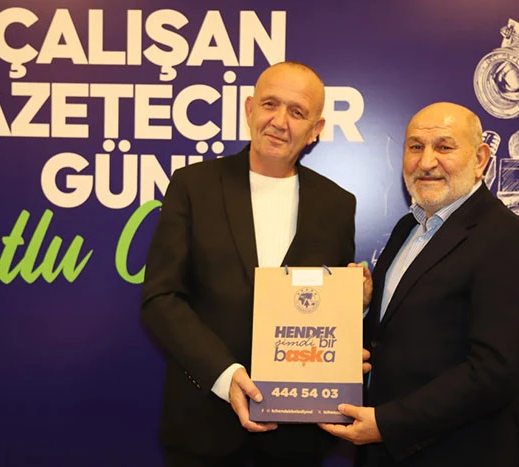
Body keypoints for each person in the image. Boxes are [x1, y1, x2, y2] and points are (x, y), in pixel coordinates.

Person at [140, 61, 358, 467]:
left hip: (297, 439)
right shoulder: (193, 186)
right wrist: (225, 376)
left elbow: (326, 308)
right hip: (204, 427)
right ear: (249, 109)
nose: (279, 121)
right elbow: (161, 298)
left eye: (297, 112)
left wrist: (354, 305)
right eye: (270, 104)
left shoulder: (337, 204)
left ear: (316, 129)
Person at [319, 102, 519, 467]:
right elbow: (396, 335)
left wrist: (388, 424)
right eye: (415, 147)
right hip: (387, 452)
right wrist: (366, 307)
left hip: (460, 453)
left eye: (444, 147)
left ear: (480, 158)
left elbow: (495, 372)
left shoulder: (507, 239)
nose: (426, 162)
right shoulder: (407, 228)